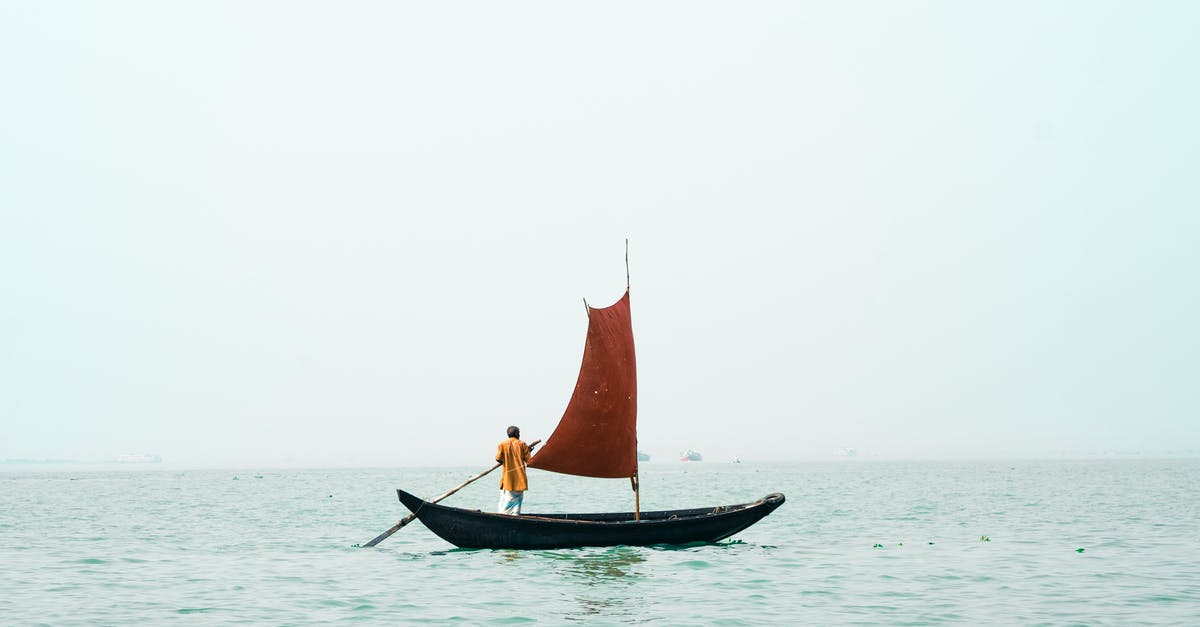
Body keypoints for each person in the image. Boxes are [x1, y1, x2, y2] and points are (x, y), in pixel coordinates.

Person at [495, 425, 531, 515]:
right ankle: (514, 516)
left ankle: (504, 516)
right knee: (516, 503)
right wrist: (527, 450)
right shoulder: (522, 444)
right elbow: (529, 461)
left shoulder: (502, 445)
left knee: (506, 500)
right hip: (519, 480)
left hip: (507, 479)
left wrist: (506, 459)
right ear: (515, 434)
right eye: (518, 433)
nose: (519, 434)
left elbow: (498, 458)